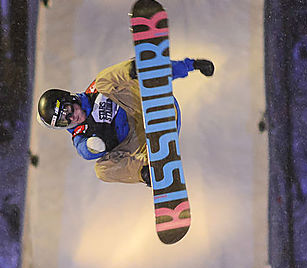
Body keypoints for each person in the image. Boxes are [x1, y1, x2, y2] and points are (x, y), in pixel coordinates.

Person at [37, 57, 214, 185]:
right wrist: (93, 146)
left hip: (147, 107)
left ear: (71, 99)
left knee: (104, 81)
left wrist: (191, 66)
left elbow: (110, 81)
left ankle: (135, 70)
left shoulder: (95, 91)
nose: (71, 118)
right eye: (63, 122)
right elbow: (85, 152)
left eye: (67, 110)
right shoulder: (81, 137)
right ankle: (148, 171)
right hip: (142, 143)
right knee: (101, 171)